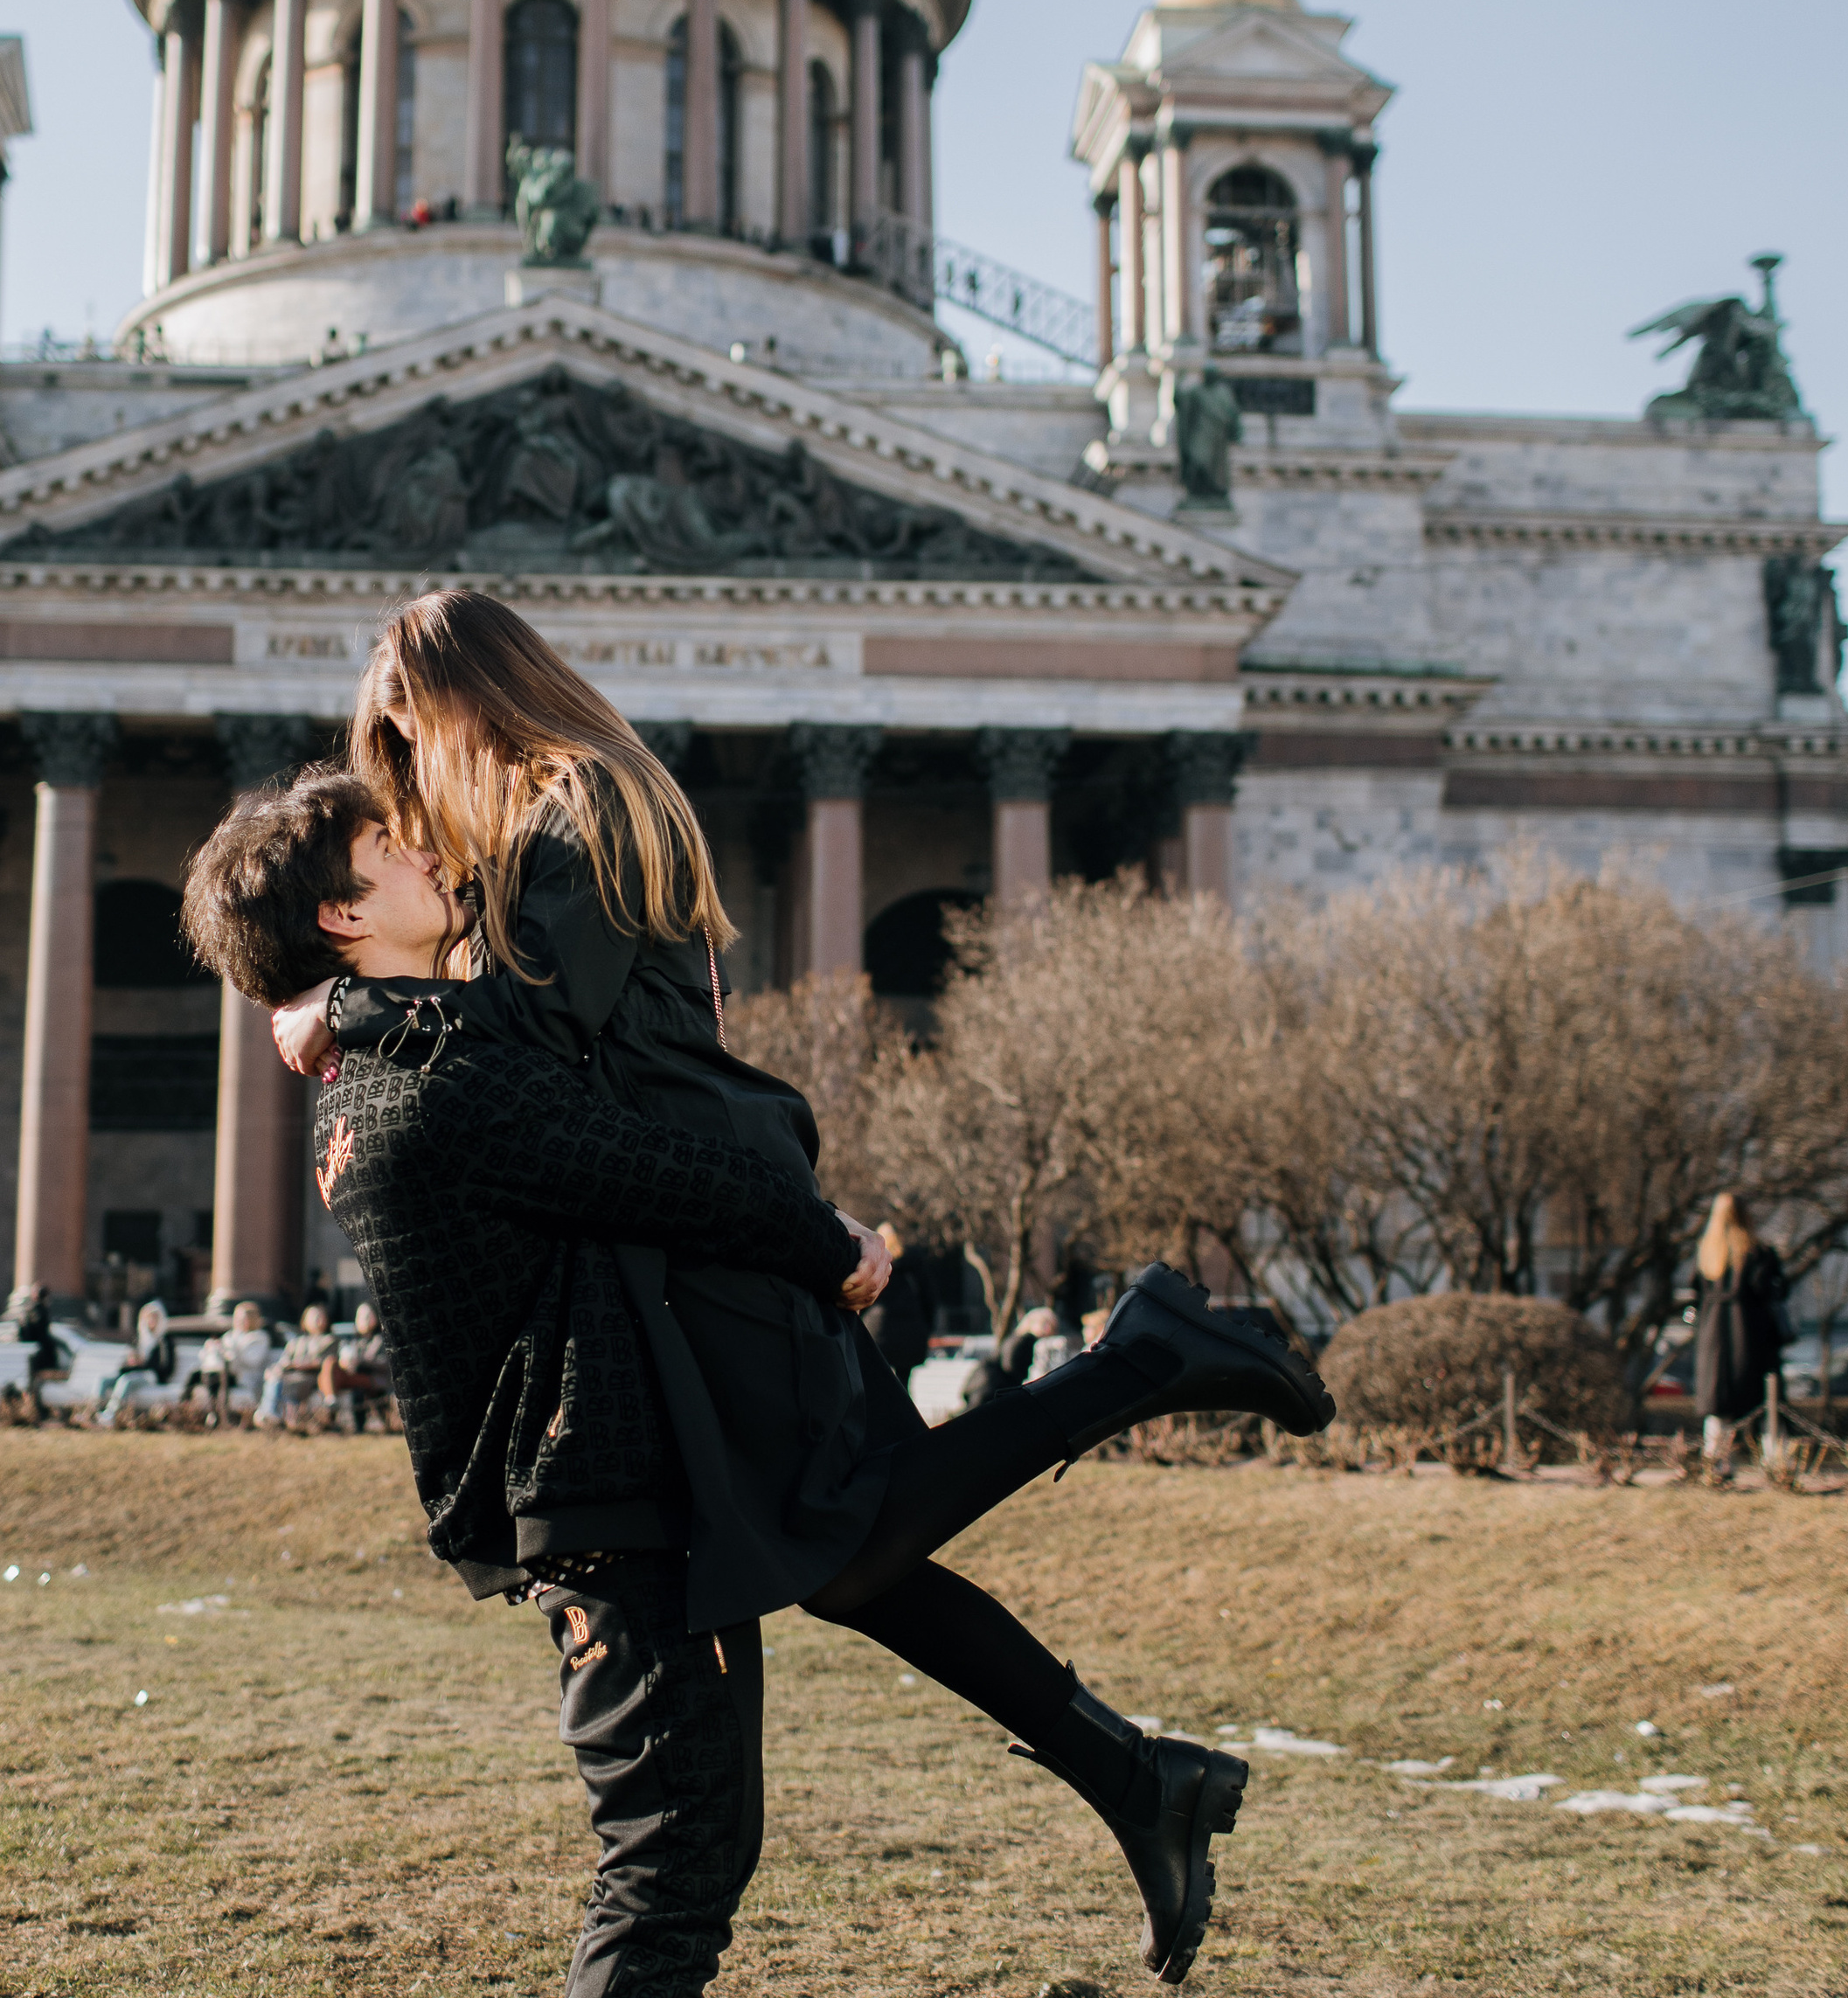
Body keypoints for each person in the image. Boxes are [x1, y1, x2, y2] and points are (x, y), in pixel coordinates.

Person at [222, 744, 1331, 1994]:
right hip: (604, 1505)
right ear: (344, 915)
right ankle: (1147, 1368)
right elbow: (654, 1170)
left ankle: (1142, 1726)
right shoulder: (434, 1086)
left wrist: (349, 1006)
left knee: (829, 1602)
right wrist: (834, 1243)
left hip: (617, 1482)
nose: (429, 846)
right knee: (674, 1862)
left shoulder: (383, 1077)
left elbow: (521, 1061)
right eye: (390, 849)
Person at [1693, 1192, 1789, 1465]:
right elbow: (1772, 1291)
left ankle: (1717, 1465)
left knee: (1718, 1407)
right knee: (1768, 1404)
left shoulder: (1706, 1255)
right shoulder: (1757, 1253)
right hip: (1751, 1336)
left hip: (1714, 1341)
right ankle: (1777, 1465)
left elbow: (1694, 1296)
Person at [859, 1223, 934, 1395]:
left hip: (877, 1331)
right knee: (904, 1385)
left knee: (876, 1383)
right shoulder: (915, 1264)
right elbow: (929, 1299)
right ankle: (905, 1419)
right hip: (911, 1332)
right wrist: (926, 1327)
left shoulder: (873, 1259)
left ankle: (878, 1419)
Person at [256, 1302, 339, 1428]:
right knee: (273, 1377)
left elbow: (323, 1362)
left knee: (282, 1383)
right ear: (304, 1320)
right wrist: (276, 1369)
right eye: (313, 1317)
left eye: (320, 1317)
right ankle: (269, 1414)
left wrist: (295, 1365)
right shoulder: (296, 1342)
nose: (317, 1320)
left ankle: (272, 1414)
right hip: (288, 1375)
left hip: (310, 1378)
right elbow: (284, 1361)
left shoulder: (330, 1340)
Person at [95, 1299, 176, 1423]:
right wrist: (130, 1363)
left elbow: (167, 1367)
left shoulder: (164, 1341)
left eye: (154, 1318)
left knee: (125, 1381)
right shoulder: (139, 1339)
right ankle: (95, 1413)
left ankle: (111, 1414)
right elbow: (126, 1362)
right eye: (148, 1318)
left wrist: (144, 1365)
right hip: (133, 1372)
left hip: (150, 1376)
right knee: (103, 1380)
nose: (151, 1321)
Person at [321, 1300, 395, 1433]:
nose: (363, 1320)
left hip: (374, 1379)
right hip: (352, 1376)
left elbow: (386, 1363)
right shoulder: (351, 1340)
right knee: (330, 1363)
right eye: (360, 1316)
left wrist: (360, 1361)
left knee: (335, 1376)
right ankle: (331, 1400)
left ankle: (331, 1409)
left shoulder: (382, 1339)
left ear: (376, 1318)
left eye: (367, 1316)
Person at [195, 1301, 272, 1424]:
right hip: (224, 1374)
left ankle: (214, 1414)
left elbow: (253, 1362)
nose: (239, 1321)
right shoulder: (230, 1335)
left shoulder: (260, 1337)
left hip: (245, 1377)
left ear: (252, 1319)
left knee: (215, 1378)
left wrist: (233, 1350)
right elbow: (217, 1357)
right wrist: (212, 1348)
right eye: (237, 1318)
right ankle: (207, 1413)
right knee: (200, 1375)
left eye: (243, 1318)